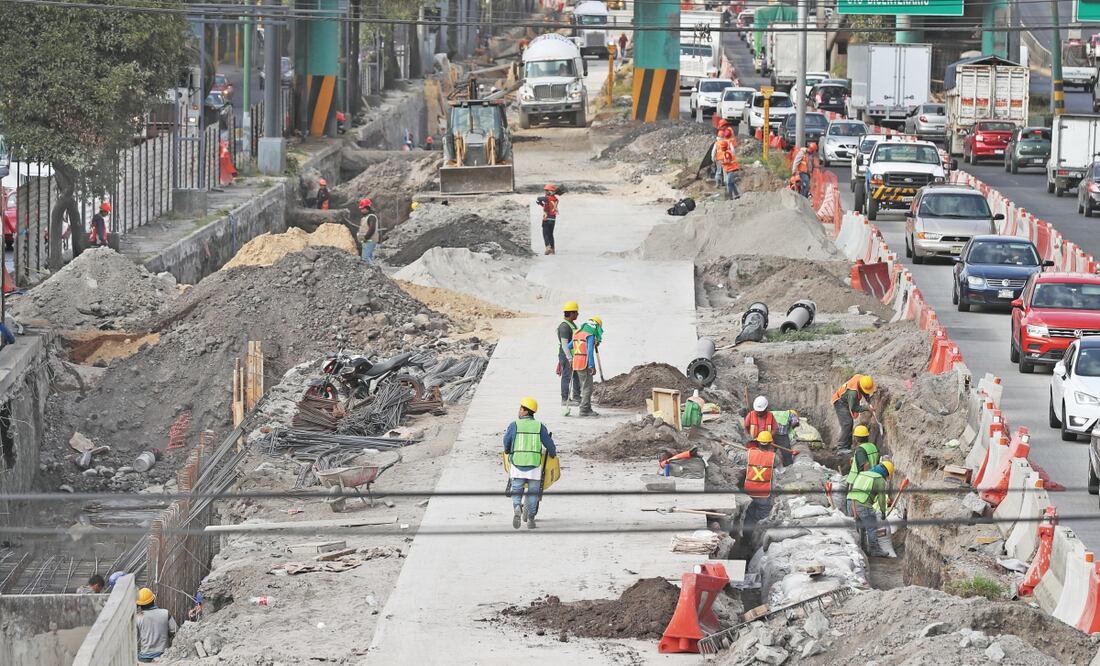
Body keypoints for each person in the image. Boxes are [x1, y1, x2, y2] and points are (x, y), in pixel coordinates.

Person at [503, 397, 557, 530]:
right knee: (533, 492)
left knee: (516, 489)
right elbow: (549, 444)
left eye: (521, 409)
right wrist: (552, 453)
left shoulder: (514, 425)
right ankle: (531, 519)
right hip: (534, 465)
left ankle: (517, 507)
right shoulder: (540, 426)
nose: (519, 411)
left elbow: (506, 441)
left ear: (526, 412)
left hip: (517, 463)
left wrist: (508, 450)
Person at [847, 460, 894, 557]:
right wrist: (883, 511)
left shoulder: (863, 474)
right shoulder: (879, 479)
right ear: (886, 472)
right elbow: (881, 498)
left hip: (851, 502)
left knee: (861, 528)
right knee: (872, 528)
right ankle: (875, 550)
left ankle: (863, 550)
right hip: (864, 504)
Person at [742, 431, 777, 536]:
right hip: (764, 494)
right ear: (770, 443)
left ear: (758, 442)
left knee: (749, 517)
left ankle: (746, 539)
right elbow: (778, 470)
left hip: (750, 492)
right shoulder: (774, 457)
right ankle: (757, 542)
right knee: (763, 518)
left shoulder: (749, 453)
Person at [831, 374, 875, 451]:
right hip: (840, 402)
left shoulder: (861, 378)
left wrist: (868, 399)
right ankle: (842, 447)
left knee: (849, 423)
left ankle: (847, 445)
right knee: (847, 423)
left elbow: (863, 390)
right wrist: (866, 407)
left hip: (844, 397)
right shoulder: (853, 393)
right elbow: (854, 408)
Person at [571, 316, 603, 417]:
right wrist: (591, 366)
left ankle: (587, 407)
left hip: (577, 363)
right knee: (587, 387)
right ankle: (584, 409)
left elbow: (569, 346)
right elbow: (589, 351)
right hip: (585, 363)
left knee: (584, 386)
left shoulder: (577, 334)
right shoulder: (590, 336)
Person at [135, 587, 178, 662]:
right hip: (163, 655)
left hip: (145, 657)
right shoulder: (165, 613)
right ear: (153, 600)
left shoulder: (138, 617)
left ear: (139, 604)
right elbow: (175, 631)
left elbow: (134, 637)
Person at [557, 300, 582, 406]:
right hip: (567, 356)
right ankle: (565, 399)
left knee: (576, 376)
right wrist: (569, 358)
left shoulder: (572, 324)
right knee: (567, 376)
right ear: (571, 313)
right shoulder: (564, 326)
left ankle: (577, 397)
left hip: (574, 355)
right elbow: (564, 344)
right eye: (576, 312)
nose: (578, 314)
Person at [717, 126, 741, 200]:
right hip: (729, 169)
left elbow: (728, 161)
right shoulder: (727, 151)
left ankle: (730, 196)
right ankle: (737, 194)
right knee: (732, 183)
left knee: (729, 183)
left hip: (731, 169)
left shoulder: (727, 153)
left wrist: (722, 163)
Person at [536, 184, 559, 255]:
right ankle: (552, 249)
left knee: (545, 234)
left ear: (551, 191)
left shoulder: (547, 198)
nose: (545, 192)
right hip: (553, 219)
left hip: (546, 218)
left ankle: (548, 247)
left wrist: (540, 200)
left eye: (547, 190)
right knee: (550, 234)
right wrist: (541, 204)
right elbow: (549, 206)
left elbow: (539, 198)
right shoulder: (556, 199)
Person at [357, 197, 379, 265]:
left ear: (368, 208)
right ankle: (374, 272)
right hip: (367, 240)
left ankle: (374, 272)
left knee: (365, 258)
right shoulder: (366, 217)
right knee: (369, 257)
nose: (361, 210)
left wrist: (365, 238)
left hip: (369, 240)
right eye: (361, 209)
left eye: (363, 208)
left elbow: (372, 229)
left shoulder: (371, 217)